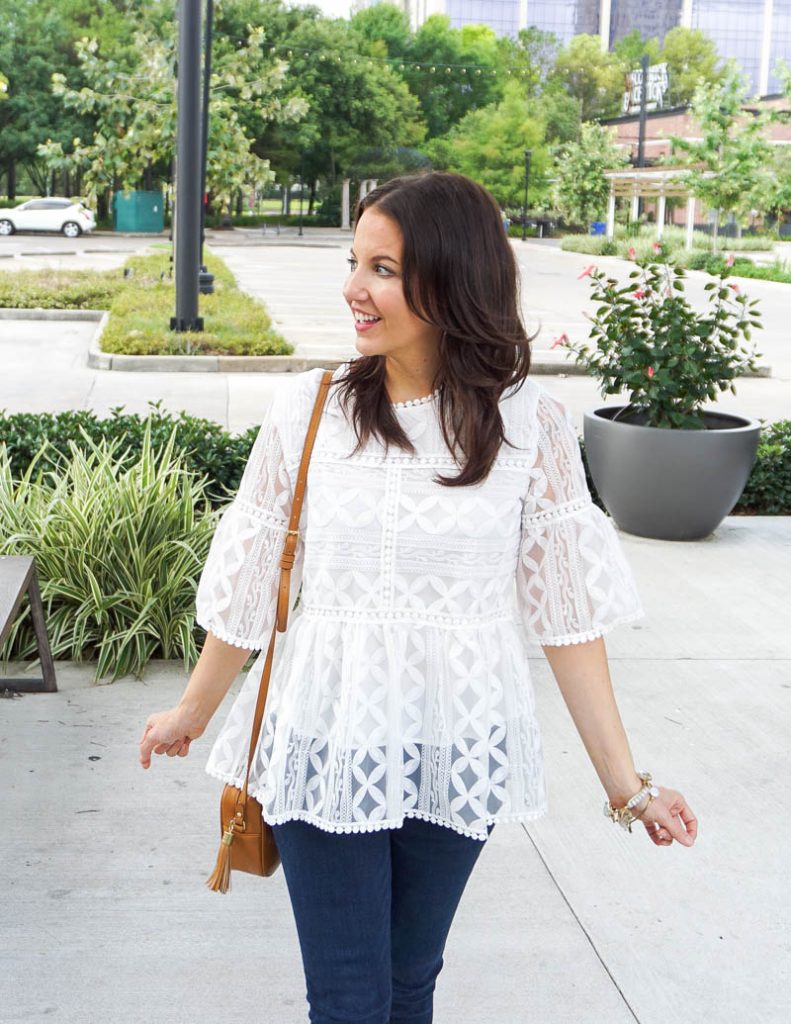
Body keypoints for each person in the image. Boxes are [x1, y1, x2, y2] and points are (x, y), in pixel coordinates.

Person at [139, 171, 697, 1024]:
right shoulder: (308, 409)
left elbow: (567, 619)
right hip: (325, 732)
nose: (353, 289)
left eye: (383, 269)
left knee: (408, 986)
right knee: (351, 999)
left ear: (452, 279)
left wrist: (628, 786)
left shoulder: (529, 425)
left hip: (460, 738)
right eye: (353, 261)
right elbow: (257, 589)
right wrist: (191, 711)